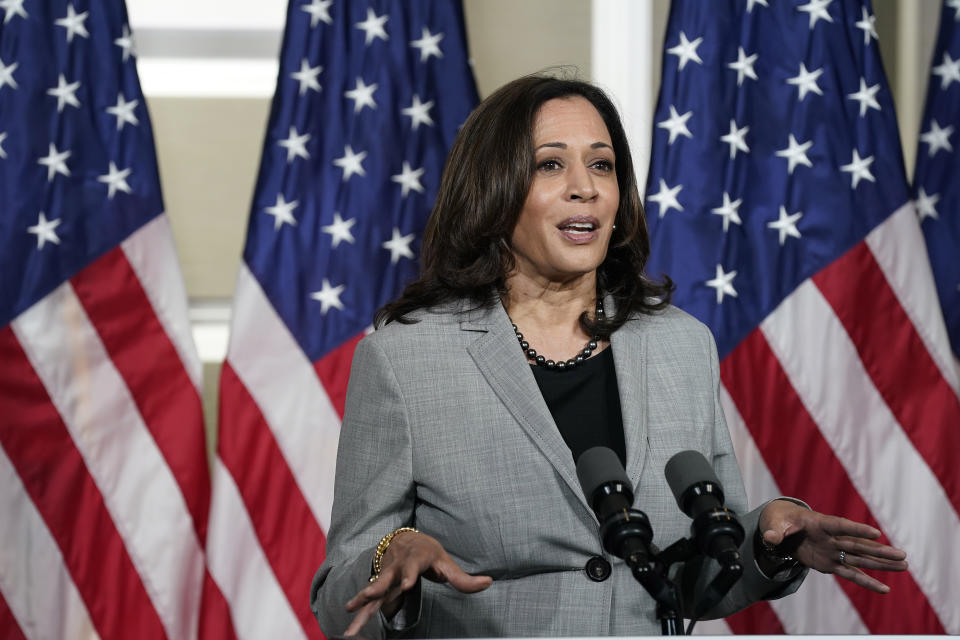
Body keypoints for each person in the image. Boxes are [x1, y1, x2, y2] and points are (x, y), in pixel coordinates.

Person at [309, 75, 907, 638]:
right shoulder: (406, 359)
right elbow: (336, 596)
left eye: (602, 164)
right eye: (550, 165)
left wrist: (766, 539)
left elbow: (699, 582)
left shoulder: (680, 345)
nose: (585, 187)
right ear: (493, 190)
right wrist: (389, 559)